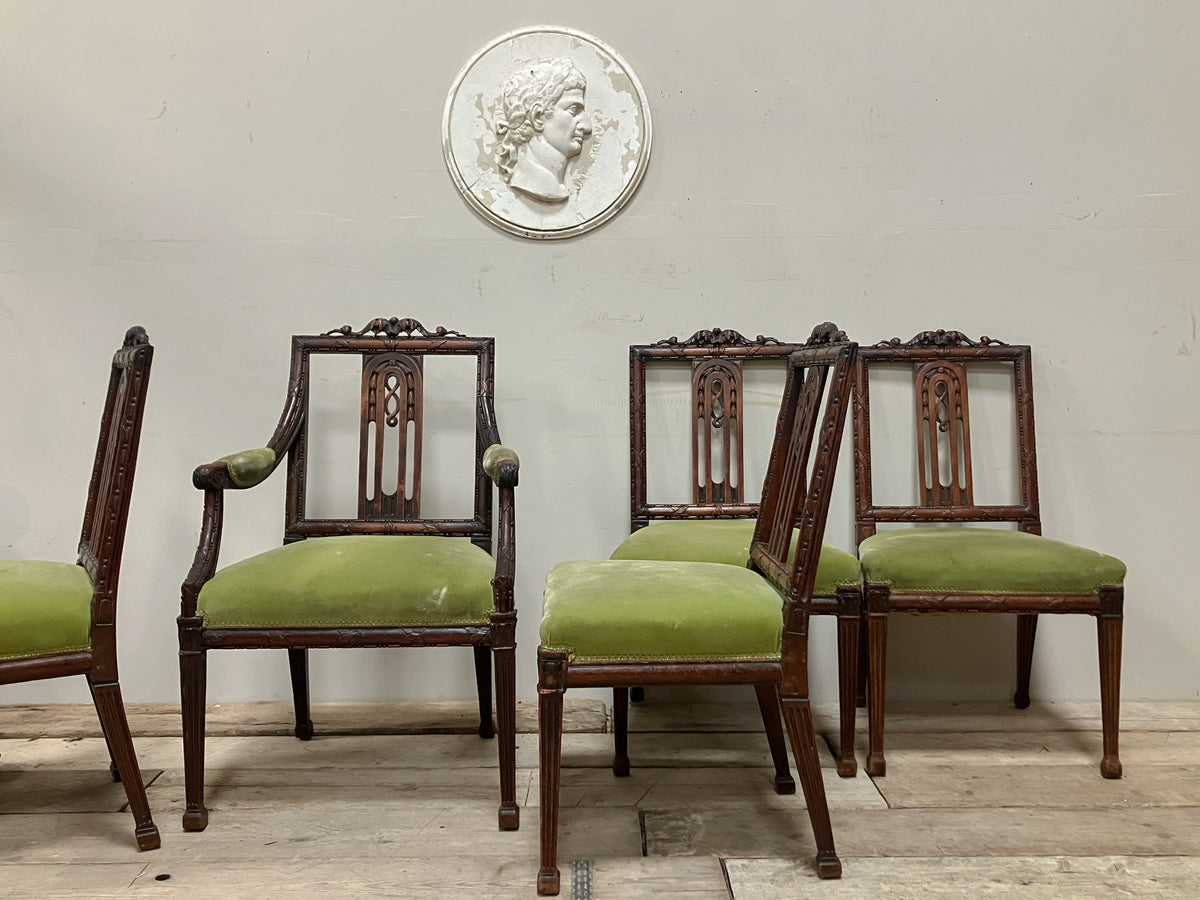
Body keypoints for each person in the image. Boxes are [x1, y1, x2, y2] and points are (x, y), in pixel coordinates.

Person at [493, 58, 592, 203]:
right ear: (537, 117)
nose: (587, 126)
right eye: (573, 110)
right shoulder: (533, 185)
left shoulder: (555, 187)